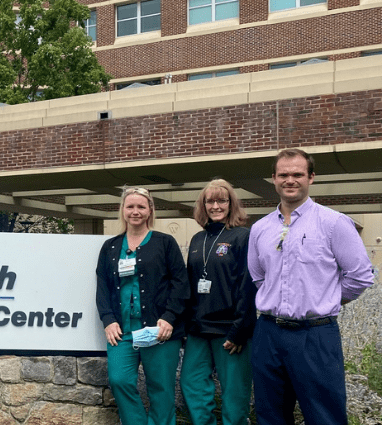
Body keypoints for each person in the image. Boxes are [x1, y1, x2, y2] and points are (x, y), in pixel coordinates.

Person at [248, 148, 374, 425]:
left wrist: (326, 298)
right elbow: (259, 278)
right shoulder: (259, 229)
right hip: (268, 334)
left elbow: (360, 275)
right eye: (283, 174)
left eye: (297, 174)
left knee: (324, 416)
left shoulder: (334, 223)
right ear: (274, 178)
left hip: (315, 336)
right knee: (270, 415)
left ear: (311, 178)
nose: (290, 180)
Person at [95, 186, 189, 425]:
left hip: (158, 330)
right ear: (123, 210)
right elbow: (103, 286)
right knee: (119, 380)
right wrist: (108, 319)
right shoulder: (111, 247)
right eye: (130, 206)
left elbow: (181, 284)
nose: (135, 211)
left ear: (150, 211)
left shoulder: (165, 243)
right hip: (122, 330)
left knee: (161, 388)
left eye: (141, 207)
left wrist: (169, 317)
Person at [181, 179, 256, 425]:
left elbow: (249, 286)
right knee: (191, 384)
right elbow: (190, 285)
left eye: (221, 200)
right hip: (198, 330)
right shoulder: (196, 240)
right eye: (210, 201)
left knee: (234, 395)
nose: (215, 206)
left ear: (231, 203)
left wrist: (240, 330)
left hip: (230, 330)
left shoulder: (243, 237)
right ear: (203, 205)